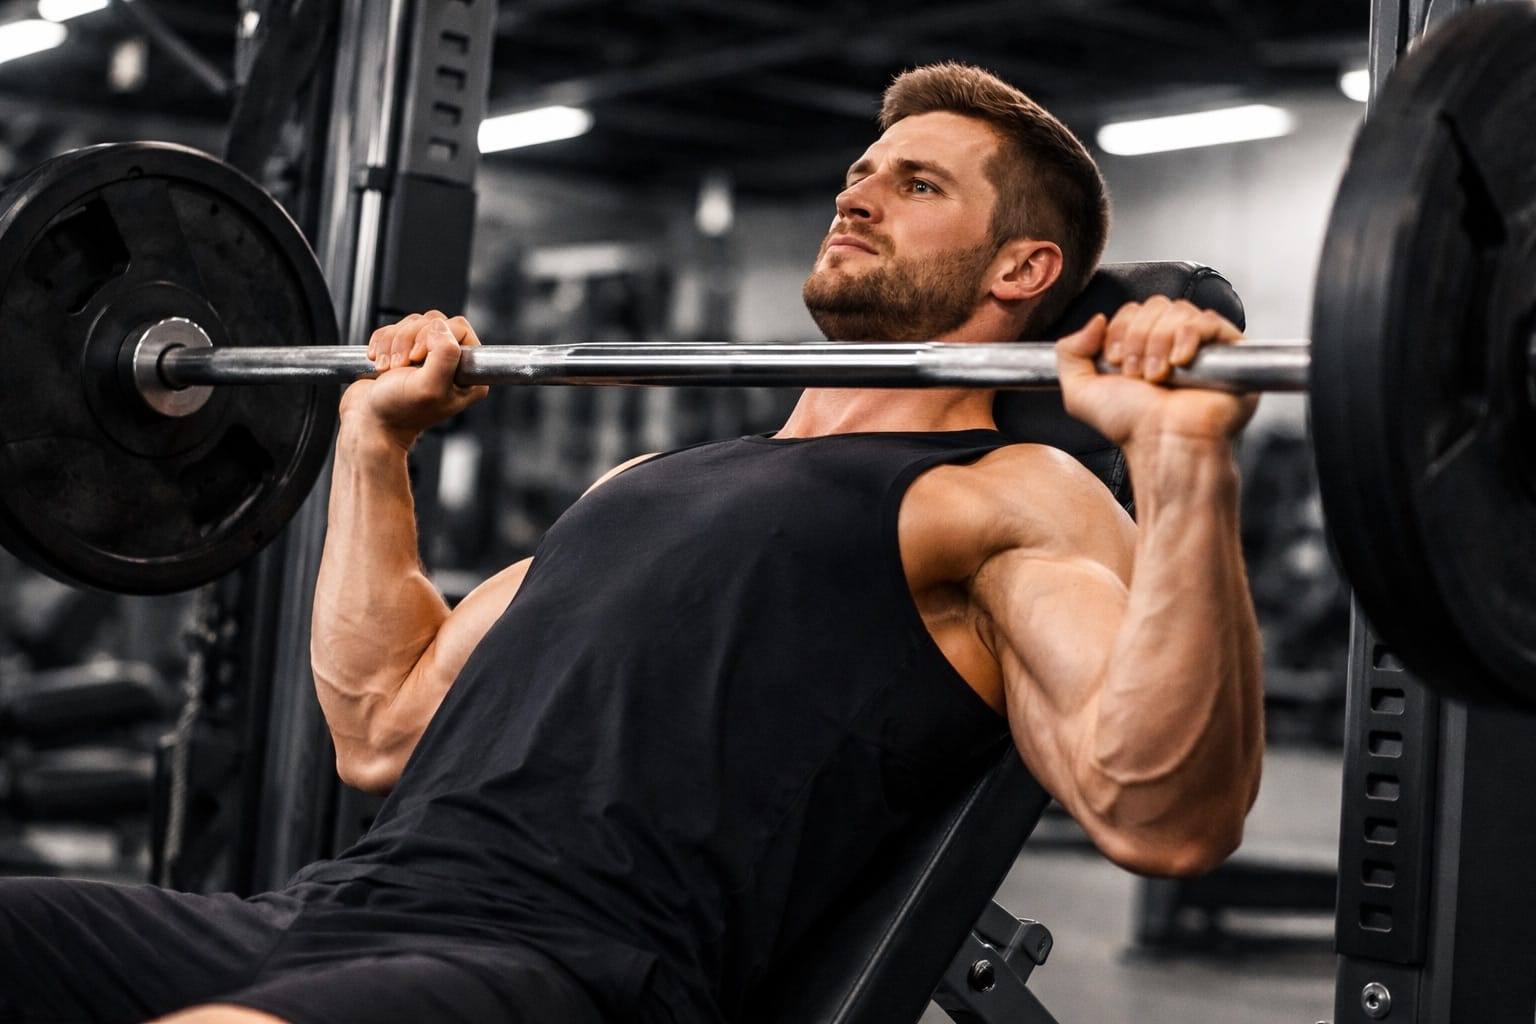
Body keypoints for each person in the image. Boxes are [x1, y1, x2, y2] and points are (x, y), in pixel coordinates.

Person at [0, 62, 1262, 1024]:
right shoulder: (649, 475)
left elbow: (1165, 811)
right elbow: (379, 721)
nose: (856, 192)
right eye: (861, 172)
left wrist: (1180, 462)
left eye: (916, 184)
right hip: (329, 916)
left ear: (1024, 266)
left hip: (561, 969)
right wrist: (374, 447)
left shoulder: (1006, 488)